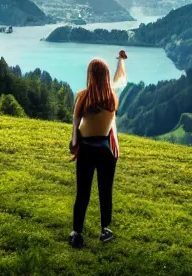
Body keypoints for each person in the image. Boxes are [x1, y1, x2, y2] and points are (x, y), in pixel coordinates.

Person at [68, 53, 126, 249]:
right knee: (105, 190)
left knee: (82, 192)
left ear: (90, 75)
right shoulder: (112, 97)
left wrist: (74, 142)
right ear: (106, 75)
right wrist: (121, 61)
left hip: (86, 149)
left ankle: (76, 233)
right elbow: (121, 80)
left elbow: (76, 122)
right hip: (105, 150)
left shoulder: (83, 96)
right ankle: (105, 229)